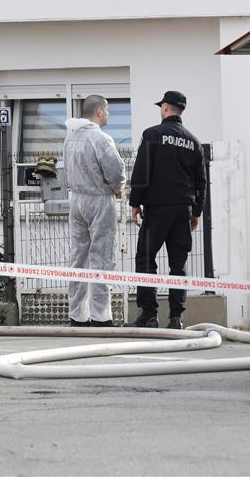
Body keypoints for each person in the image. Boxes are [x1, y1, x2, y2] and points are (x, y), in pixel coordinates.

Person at [125, 90, 206, 329]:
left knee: (146, 258)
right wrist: (196, 213)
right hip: (183, 210)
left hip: (158, 209)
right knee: (178, 265)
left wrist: (135, 202)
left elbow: (142, 171)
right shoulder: (194, 142)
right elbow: (201, 182)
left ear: (165, 108)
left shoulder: (152, 135)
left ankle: (149, 314)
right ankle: (176, 318)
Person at [63, 95, 126, 327]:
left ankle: (77, 315)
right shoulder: (100, 138)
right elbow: (116, 170)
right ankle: (101, 316)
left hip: (76, 200)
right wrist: (117, 189)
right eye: (107, 110)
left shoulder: (70, 136)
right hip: (99, 200)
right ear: (99, 111)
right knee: (101, 257)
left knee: (78, 258)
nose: (109, 115)